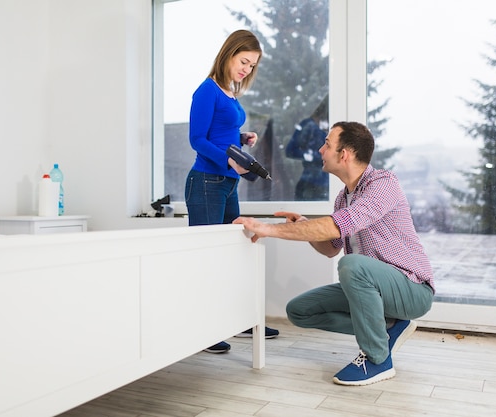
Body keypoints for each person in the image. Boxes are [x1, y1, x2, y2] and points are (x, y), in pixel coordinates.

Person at [233, 121, 435, 385]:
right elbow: (330, 248)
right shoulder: (343, 197)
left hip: (412, 289)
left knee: (352, 266)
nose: (320, 150)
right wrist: (304, 225)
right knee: (300, 311)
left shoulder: (383, 184)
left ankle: (377, 359)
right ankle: (389, 328)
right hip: (374, 287)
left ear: (344, 154)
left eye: (326, 144)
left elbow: (336, 227)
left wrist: (267, 229)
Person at [184, 29, 279, 354]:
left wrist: (240, 139)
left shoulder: (230, 91)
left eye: (252, 66)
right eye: (244, 61)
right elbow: (197, 140)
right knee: (208, 258)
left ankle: (237, 320)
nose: (246, 69)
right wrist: (228, 157)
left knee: (234, 253)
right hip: (207, 182)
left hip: (226, 183)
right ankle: (205, 328)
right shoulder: (206, 90)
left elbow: (220, 132)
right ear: (229, 53)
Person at [285, 96, 330, 200]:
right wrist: (314, 156)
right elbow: (290, 151)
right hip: (310, 185)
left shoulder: (330, 129)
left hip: (326, 186)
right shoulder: (308, 126)